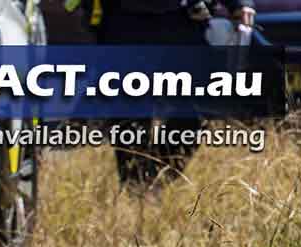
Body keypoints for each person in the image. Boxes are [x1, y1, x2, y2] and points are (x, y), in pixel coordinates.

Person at [71, 0, 256, 184]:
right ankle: (137, 188)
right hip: (125, 23)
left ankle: (156, 177)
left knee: (197, 109)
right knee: (131, 120)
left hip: (182, 22)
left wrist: (240, 4)